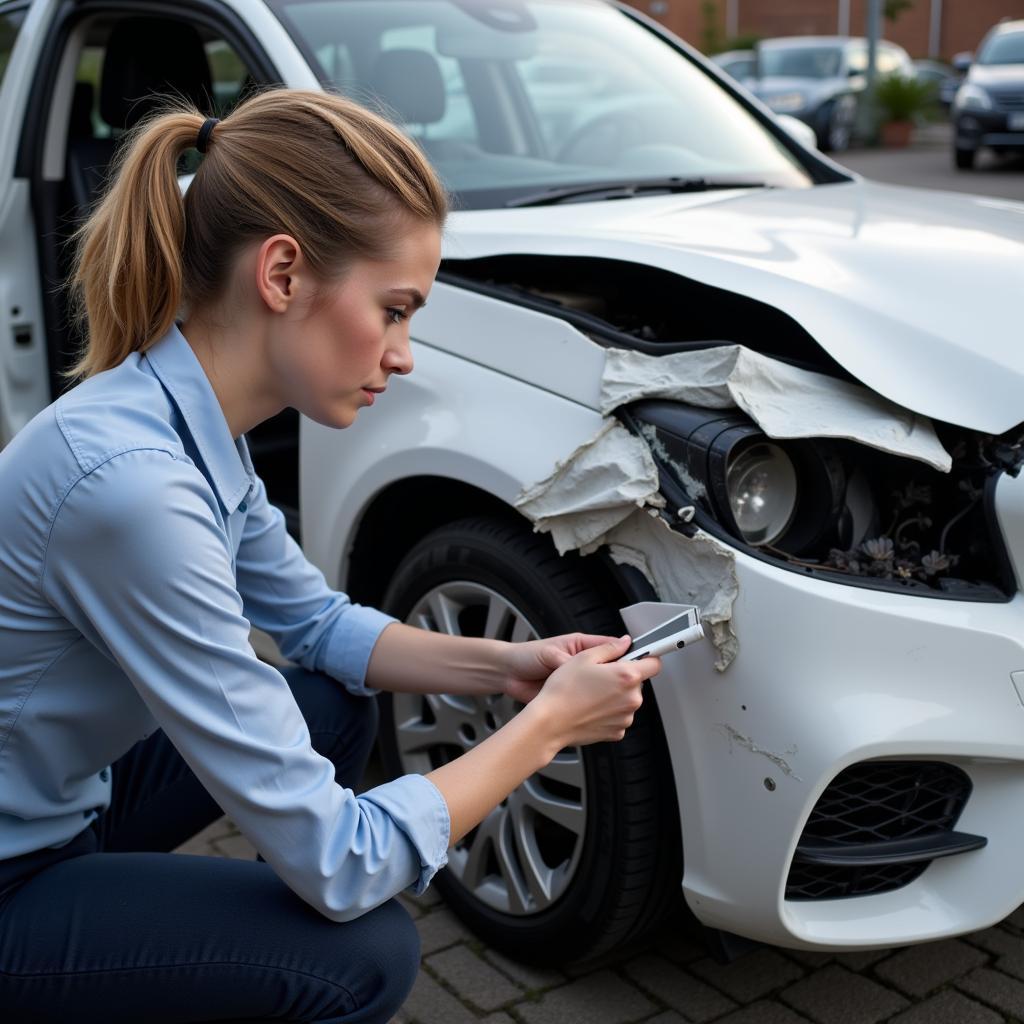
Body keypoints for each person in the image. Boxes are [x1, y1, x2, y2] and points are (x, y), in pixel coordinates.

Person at [0, 88, 661, 1023]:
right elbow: (347, 872)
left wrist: (512, 668)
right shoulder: (135, 489)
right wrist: (548, 729)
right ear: (281, 274)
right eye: (395, 310)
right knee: (360, 950)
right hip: (11, 873)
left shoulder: (188, 421)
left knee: (333, 701)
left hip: (61, 794)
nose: (404, 355)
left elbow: (314, 625)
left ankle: (214, 948)